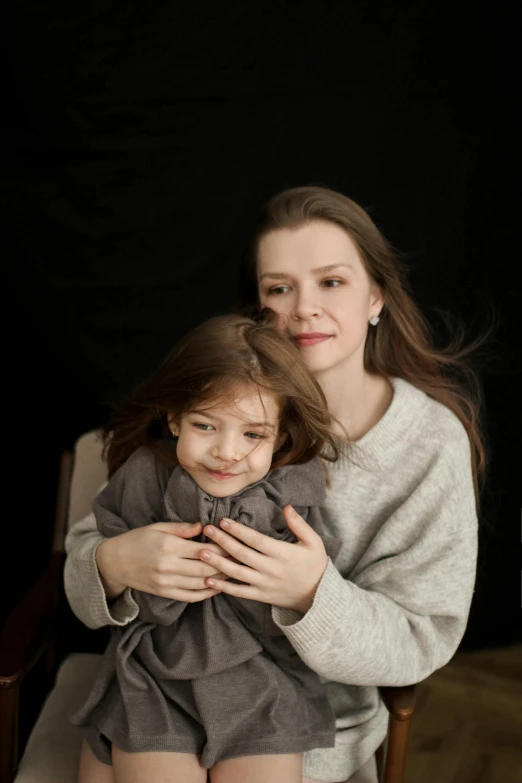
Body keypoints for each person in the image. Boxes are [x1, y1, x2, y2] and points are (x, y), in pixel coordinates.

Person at [65, 186, 484, 783]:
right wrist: (111, 564)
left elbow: (424, 637)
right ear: (256, 310)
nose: (303, 309)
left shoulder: (428, 443)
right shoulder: (209, 405)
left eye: (332, 282)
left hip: (304, 729)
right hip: (156, 699)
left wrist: (313, 594)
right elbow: (90, 550)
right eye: (279, 288)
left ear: (376, 297)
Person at [71, 313, 345, 783]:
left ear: (279, 435)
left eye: (253, 434)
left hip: (261, 681)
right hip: (155, 678)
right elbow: (108, 560)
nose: (227, 452)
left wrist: (300, 585)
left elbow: (314, 589)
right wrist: (123, 566)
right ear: (175, 418)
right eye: (205, 425)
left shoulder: (294, 491)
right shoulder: (144, 476)